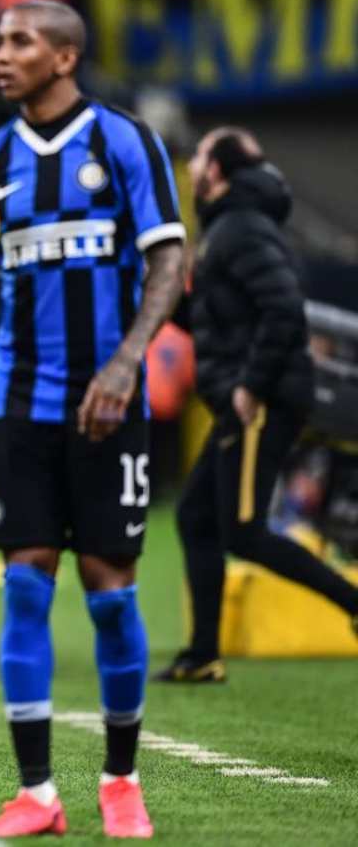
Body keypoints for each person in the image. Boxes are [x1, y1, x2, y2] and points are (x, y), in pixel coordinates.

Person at [0, 0, 187, 840]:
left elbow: (168, 255)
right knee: (24, 584)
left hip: (104, 396)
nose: (1, 56)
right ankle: (36, 795)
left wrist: (127, 363)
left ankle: (121, 779)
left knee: (110, 593)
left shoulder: (121, 140)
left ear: (65, 53)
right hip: (16, 396)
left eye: (20, 42)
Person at [155, 128, 358, 683]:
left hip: (257, 402)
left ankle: (353, 602)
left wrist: (250, 385)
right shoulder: (233, 227)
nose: (193, 165)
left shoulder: (241, 229)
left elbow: (284, 309)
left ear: (217, 171)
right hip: (245, 398)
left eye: (199, 156)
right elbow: (219, 320)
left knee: (242, 531)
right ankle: (202, 654)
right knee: (197, 517)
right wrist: (169, 301)